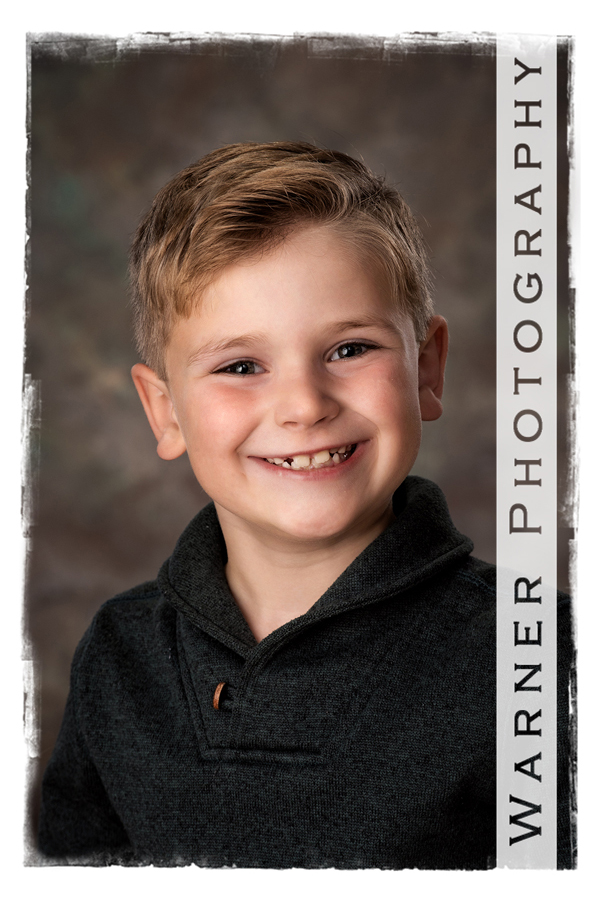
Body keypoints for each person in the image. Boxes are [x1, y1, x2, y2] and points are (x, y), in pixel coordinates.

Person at [37, 141, 573, 868]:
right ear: (164, 412)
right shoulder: (121, 654)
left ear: (426, 368)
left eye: (350, 349)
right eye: (241, 366)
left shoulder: (538, 655)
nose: (302, 406)